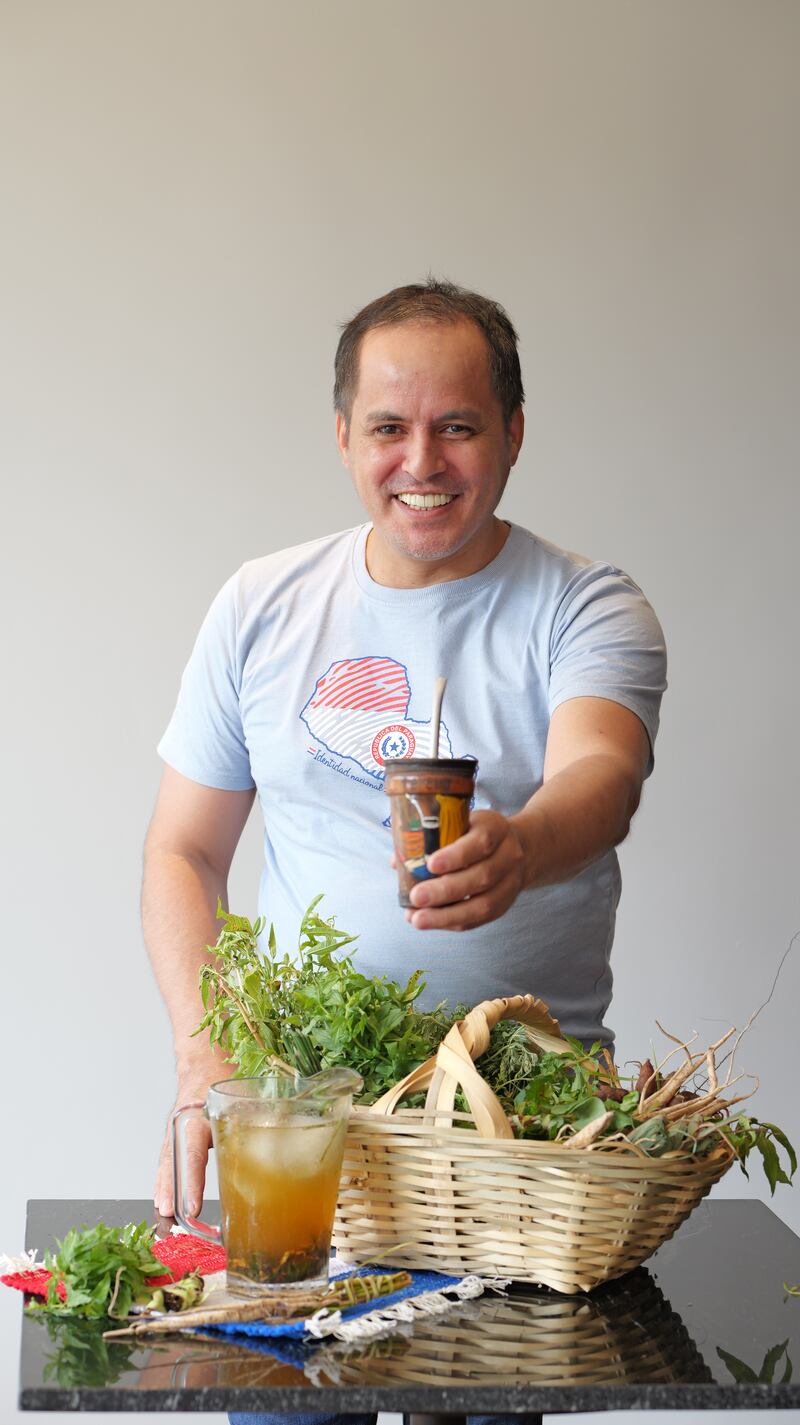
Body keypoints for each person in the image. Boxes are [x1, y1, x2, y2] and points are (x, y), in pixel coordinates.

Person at [144, 277, 667, 1228]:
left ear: (513, 433)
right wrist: (202, 1054)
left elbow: (603, 775)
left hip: (531, 1133)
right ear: (344, 435)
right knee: (287, 1328)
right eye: (389, 427)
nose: (421, 461)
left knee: (525, 1336)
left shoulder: (587, 606)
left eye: (457, 427)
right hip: (310, 1120)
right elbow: (184, 849)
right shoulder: (261, 605)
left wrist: (522, 846)